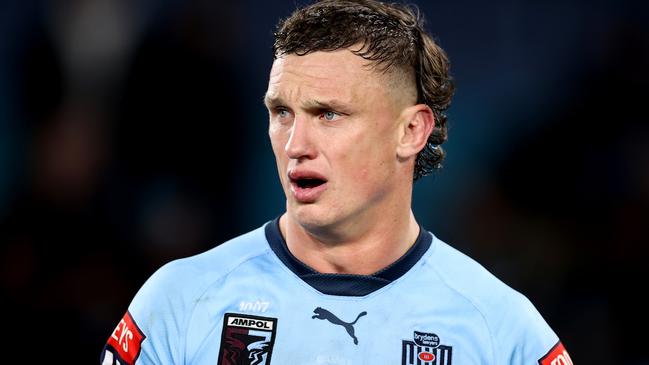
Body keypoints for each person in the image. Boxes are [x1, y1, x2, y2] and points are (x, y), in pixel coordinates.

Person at [101, 1, 572, 364]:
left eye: (329, 114)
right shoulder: (179, 302)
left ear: (411, 131)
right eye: (281, 112)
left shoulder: (501, 329)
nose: (295, 144)